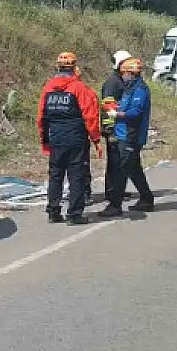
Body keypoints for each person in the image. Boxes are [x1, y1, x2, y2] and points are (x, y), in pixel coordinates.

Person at [37, 52, 103, 225]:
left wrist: (45, 140)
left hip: (56, 139)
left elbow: (41, 117)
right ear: (74, 68)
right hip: (76, 140)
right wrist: (96, 139)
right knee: (76, 176)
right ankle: (74, 214)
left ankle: (53, 211)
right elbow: (90, 116)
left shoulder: (48, 88)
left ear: (58, 67)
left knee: (55, 176)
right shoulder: (79, 88)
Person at [100, 57, 155, 218]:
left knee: (121, 170)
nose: (122, 76)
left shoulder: (139, 90)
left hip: (131, 135)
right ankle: (146, 198)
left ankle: (115, 205)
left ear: (131, 73)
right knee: (133, 168)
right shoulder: (129, 88)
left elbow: (135, 112)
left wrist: (118, 114)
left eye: (124, 73)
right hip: (122, 133)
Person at [100, 50, 136, 201]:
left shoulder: (121, 81)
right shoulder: (113, 83)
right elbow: (108, 107)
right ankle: (112, 191)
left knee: (120, 161)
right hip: (114, 129)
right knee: (114, 162)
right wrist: (110, 130)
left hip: (120, 127)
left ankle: (118, 188)